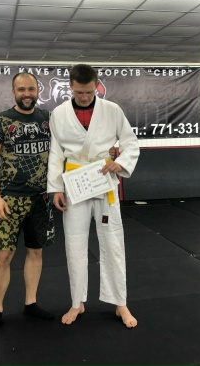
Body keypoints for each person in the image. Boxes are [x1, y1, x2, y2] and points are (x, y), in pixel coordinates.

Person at [47, 64, 140, 328]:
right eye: (79, 92)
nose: (85, 96)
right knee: (74, 243)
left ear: (97, 86)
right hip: (75, 183)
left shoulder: (112, 110)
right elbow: (56, 152)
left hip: (103, 180)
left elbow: (130, 143)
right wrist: (55, 188)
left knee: (113, 241)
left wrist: (120, 163)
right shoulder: (59, 114)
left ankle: (120, 302)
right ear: (70, 87)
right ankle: (77, 302)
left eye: (89, 92)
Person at [0, 72, 55, 335]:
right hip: (10, 199)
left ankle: (30, 303)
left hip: (41, 198)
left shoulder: (49, 118)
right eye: (21, 89)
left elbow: (72, 145)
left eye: (31, 89)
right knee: (3, 255)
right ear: (13, 91)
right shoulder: (0, 120)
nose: (26, 94)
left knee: (36, 252)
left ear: (38, 90)